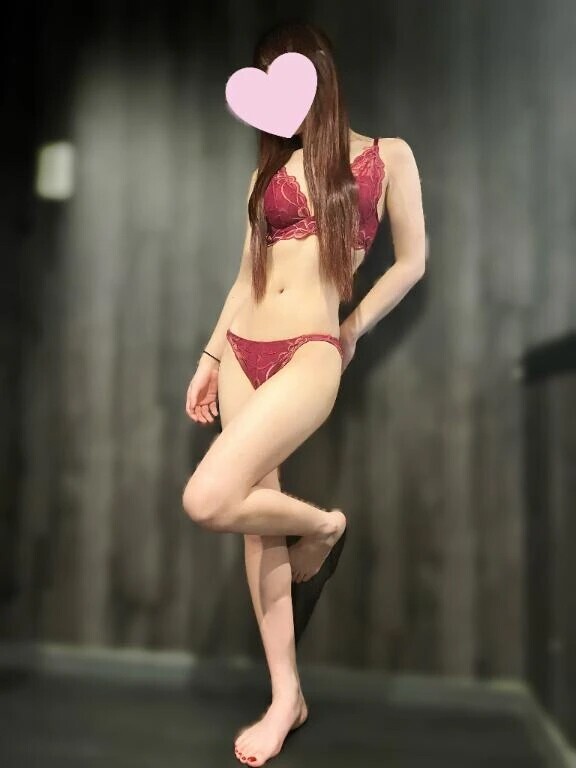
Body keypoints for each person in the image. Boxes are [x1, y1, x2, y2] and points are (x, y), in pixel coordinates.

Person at [183, 19, 426, 768]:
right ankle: (285, 696)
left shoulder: (387, 156)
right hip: (242, 352)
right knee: (255, 526)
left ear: (316, 74)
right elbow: (244, 276)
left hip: (310, 350)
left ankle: (323, 528)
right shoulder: (266, 172)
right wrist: (210, 356)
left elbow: (411, 262)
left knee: (209, 499)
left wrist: (350, 329)